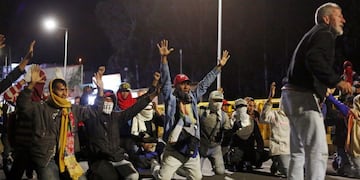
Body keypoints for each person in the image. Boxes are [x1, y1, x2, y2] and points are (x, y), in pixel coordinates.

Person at [281, 3, 353, 180]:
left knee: (298, 153)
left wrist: (322, 88)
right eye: (339, 15)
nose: (343, 19)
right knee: (317, 152)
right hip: (302, 97)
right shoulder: (324, 33)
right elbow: (314, 59)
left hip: (290, 95)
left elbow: (310, 63)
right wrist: (337, 81)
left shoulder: (312, 34)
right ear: (326, 19)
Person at [151, 39, 230, 180]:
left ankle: (179, 167)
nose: (187, 86)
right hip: (174, 148)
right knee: (163, 178)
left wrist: (219, 67)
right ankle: (155, 167)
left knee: (197, 178)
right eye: (182, 84)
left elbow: (204, 84)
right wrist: (164, 58)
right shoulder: (171, 97)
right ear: (176, 86)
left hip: (191, 146)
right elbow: (166, 81)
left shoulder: (193, 97)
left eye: (187, 83)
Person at [16, 65, 105, 180]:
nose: (65, 93)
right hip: (46, 158)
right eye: (61, 90)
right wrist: (31, 85)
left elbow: (95, 110)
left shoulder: (72, 109)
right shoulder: (40, 108)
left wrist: (100, 90)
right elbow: (23, 105)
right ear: (52, 91)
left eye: (66, 90)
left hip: (69, 158)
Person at [85, 72, 161, 180]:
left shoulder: (117, 116)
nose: (108, 102)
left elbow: (137, 106)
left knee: (133, 176)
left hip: (119, 152)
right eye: (106, 100)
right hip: (101, 158)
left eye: (111, 100)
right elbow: (87, 105)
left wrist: (153, 94)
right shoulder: (92, 116)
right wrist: (100, 90)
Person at [259, 82, 290, 176]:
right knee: (289, 173)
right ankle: (277, 161)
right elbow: (263, 118)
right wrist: (270, 98)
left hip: (291, 149)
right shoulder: (276, 115)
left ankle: (277, 164)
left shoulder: (294, 116)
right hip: (280, 149)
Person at [198, 90, 228, 175]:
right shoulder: (201, 111)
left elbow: (227, 132)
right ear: (210, 100)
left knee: (220, 171)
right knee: (195, 173)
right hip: (202, 146)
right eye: (216, 100)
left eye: (220, 101)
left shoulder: (224, 116)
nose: (218, 103)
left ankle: (215, 165)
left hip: (215, 147)